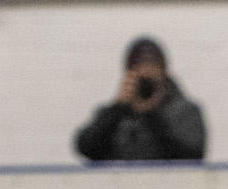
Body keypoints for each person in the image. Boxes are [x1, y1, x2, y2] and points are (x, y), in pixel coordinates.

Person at [73, 37, 206, 163]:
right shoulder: (114, 116)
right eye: (138, 67)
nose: (145, 73)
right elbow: (86, 149)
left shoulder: (185, 112)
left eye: (152, 66)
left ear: (163, 71)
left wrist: (152, 117)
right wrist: (118, 108)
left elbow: (192, 156)